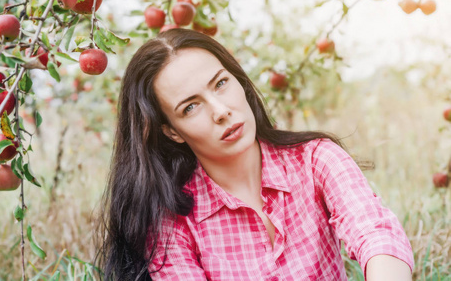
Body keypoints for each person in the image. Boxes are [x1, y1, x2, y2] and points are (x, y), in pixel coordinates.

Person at [96, 28, 414, 280]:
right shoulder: (172, 221)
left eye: (220, 84)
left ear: (240, 82)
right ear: (172, 130)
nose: (221, 111)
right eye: (191, 107)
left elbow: (375, 231)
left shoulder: (317, 160)